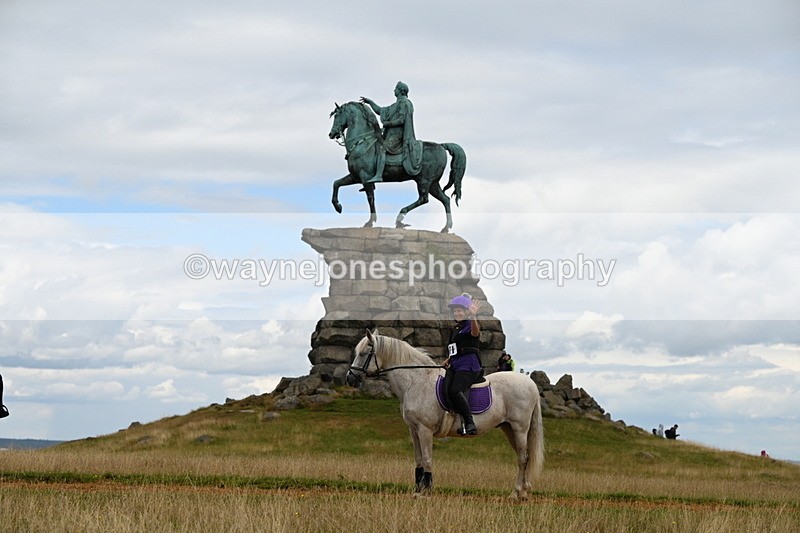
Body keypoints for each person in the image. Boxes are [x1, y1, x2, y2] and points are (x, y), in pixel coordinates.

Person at [359, 81, 423, 185]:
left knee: (382, 149)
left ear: (400, 91)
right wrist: (370, 102)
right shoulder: (396, 105)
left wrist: (388, 123)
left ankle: (379, 175)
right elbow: (380, 111)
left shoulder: (404, 103)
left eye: (396, 88)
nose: (394, 90)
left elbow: (401, 120)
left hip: (398, 135)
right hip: (391, 134)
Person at [442, 293, 482, 436]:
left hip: (469, 365)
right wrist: (448, 359)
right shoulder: (455, 329)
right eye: (455, 311)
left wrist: (474, 316)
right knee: (444, 386)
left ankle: (470, 423)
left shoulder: (470, 324)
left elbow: (475, 333)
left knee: (455, 390)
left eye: (459, 311)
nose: (457, 313)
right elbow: (454, 348)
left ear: (466, 312)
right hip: (455, 364)